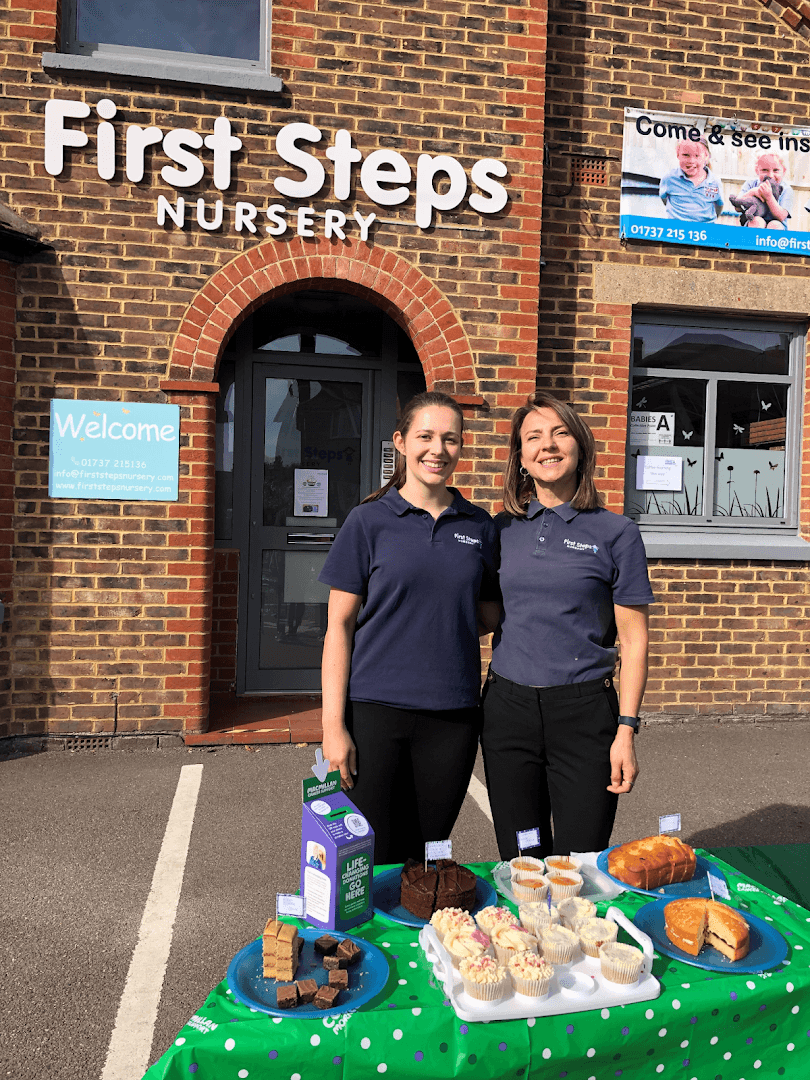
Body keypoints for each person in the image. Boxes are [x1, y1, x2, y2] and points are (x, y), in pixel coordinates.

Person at [318, 391, 498, 864]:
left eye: (450, 439)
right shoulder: (368, 521)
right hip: (375, 712)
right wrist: (332, 725)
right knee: (367, 854)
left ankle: (418, 939)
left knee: (427, 852)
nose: (437, 449)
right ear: (400, 442)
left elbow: (491, 612)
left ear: (462, 447)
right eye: (425, 436)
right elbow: (338, 627)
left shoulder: (479, 527)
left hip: (453, 715)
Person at [480, 392, 654, 860]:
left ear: (580, 447)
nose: (547, 445)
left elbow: (635, 642)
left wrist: (626, 731)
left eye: (560, 433)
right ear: (520, 457)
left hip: (584, 716)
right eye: (533, 437)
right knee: (522, 860)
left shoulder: (617, 533)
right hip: (508, 712)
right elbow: (484, 615)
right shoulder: (500, 530)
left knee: (579, 863)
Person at [659, 138, 724, 222]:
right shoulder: (669, 178)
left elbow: (719, 206)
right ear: (678, 155)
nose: (691, 161)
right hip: (677, 230)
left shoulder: (714, 182)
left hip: (705, 230)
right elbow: (664, 199)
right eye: (686, 155)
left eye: (697, 156)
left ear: (706, 157)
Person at [732, 152, 792, 229]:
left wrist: (769, 197)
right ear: (757, 170)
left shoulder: (786, 190)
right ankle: (753, 240)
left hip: (778, 226)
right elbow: (738, 207)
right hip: (753, 223)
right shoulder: (750, 184)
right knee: (757, 221)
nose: (770, 175)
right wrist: (752, 192)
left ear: (783, 171)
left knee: (775, 225)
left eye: (776, 170)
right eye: (764, 170)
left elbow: (781, 216)